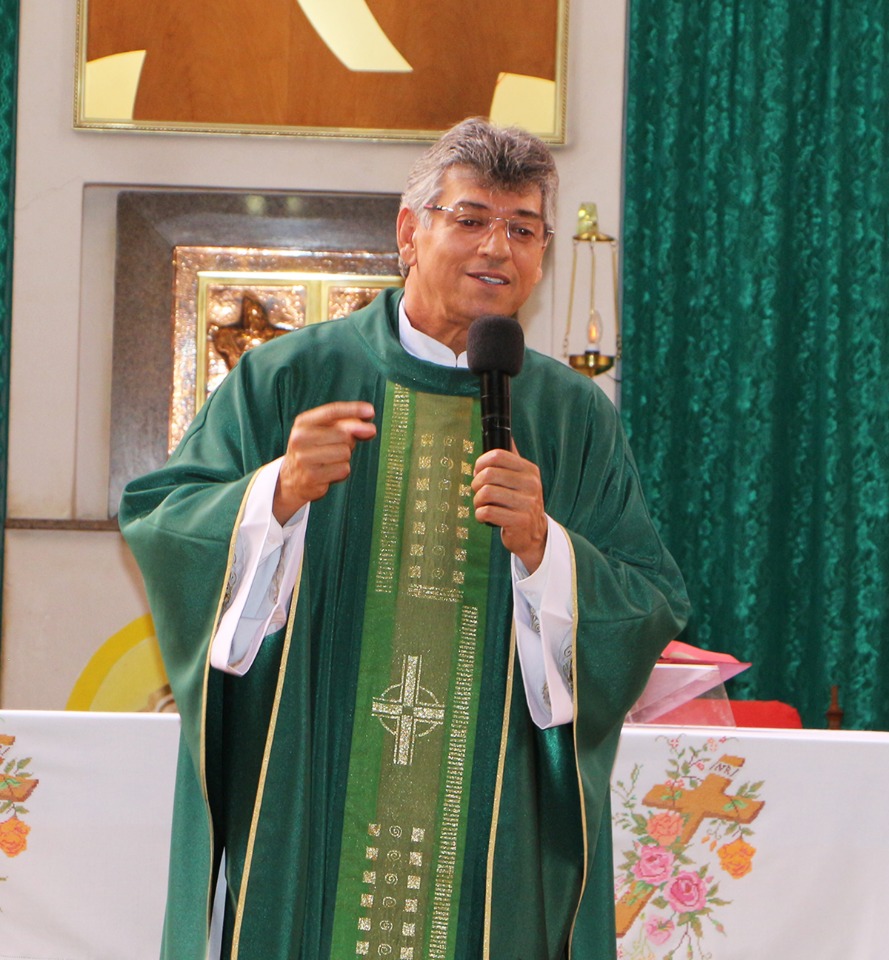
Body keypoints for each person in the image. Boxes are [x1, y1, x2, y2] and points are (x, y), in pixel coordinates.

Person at [120, 117, 689, 960]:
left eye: (523, 229)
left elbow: (647, 598)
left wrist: (546, 550)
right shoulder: (289, 377)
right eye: (470, 219)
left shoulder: (572, 418)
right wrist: (274, 494)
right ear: (409, 232)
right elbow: (165, 524)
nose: (498, 246)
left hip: (489, 821)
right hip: (314, 790)